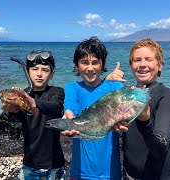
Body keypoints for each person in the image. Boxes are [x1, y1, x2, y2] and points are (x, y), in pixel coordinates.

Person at [112, 38, 170, 180]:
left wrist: (145, 121)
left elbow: (160, 149)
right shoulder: (126, 94)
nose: (142, 64)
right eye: (137, 60)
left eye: (148, 59)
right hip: (129, 174)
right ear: (131, 66)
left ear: (160, 65)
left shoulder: (167, 96)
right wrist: (106, 83)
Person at [61, 36, 128, 180]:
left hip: (109, 171)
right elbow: (70, 106)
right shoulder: (73, 87)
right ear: (76, 65)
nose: (90, 68)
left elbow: (124, 109)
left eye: (95, 63)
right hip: (79, 170)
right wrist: (68, 116)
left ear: (103, 64)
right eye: (84, 62)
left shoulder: (115, 87)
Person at [0, 50, 66, 179]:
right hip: (30, 164)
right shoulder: (22, 94)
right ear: (28, 72)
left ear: (52, 74)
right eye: (35, 69)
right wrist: (11, 110)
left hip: (54, 165)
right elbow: (16, 123)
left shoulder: (56, 92)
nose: (39, 74)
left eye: (45, 70)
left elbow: (55, 107)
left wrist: (32, 102)